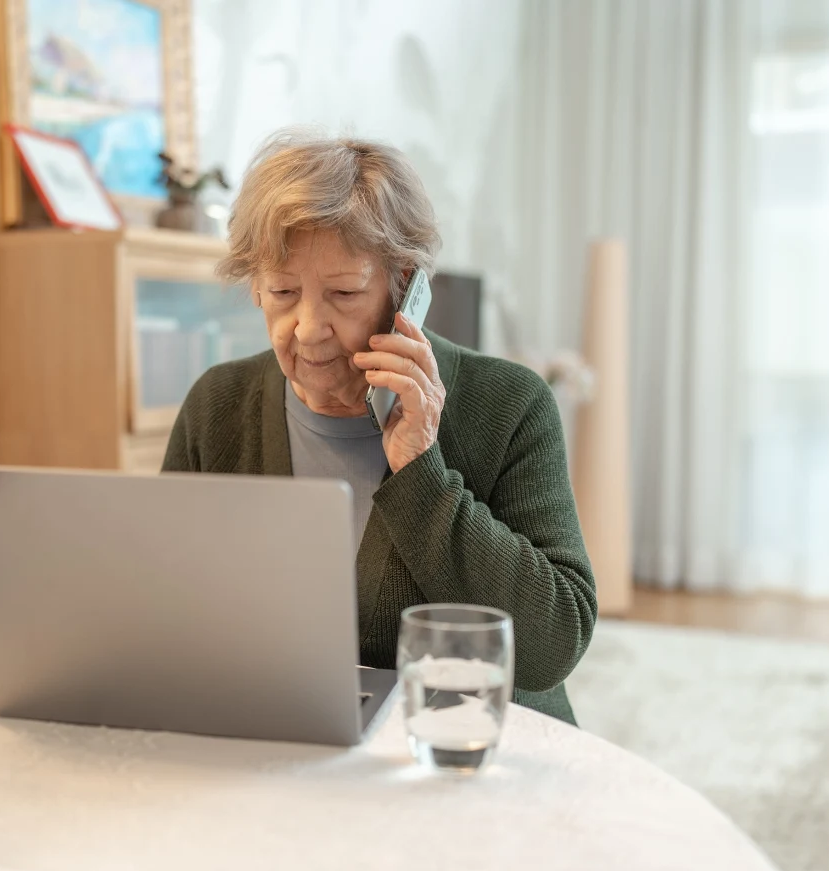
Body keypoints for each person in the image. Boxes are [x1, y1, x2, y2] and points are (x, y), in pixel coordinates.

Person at [161, 130, 596, 724]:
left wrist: (421, 472)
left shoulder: (512, 404)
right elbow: (167, 607)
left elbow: (553, 644)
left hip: (467, 749)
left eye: (343, 293)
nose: (308, 328)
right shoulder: (218, 405)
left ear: (405, 286)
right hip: (279, 739)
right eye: (282, 292)